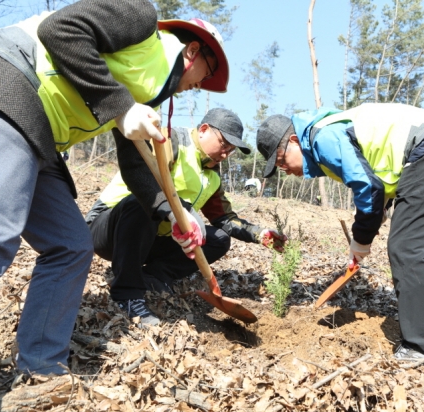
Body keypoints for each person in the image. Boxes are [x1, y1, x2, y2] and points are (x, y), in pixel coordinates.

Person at [0, 0, 230, 408]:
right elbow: (61, 29)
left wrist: (169, 213)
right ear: (192, 52)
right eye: (207, 73)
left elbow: (135, 165)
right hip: (7, 89)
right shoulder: (141, 21)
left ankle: (41, 370)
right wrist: (122, 108)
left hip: (40, 137)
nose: (203, 84)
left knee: (71, 247)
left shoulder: (145, 92)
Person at [256, 103, 424, 364]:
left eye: (281, 162)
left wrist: (361, 239)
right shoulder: (333, 127)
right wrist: (379, 211)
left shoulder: (322, 137)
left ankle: (423, 347)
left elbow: (368, 187)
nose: (286, 171)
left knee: (407, 248)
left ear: (293, 141)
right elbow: (380, 179)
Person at [86, 109, 287, 326]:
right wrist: (185, 210)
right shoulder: (169, 142)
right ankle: (127, 293)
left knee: (219, 238)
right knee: (143, 203)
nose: (225, 154)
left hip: (150, 239)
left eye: (231, 150)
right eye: (223, 144)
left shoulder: (212, 176)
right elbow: (146, 185)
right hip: (108, 230)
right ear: (203, 130)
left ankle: (153, 276)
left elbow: (225, 219)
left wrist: (259, 234)